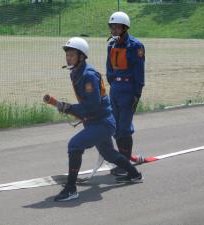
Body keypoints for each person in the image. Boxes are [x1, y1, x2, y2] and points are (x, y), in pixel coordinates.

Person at [53, 37, 143, 202]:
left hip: (102, 122)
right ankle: (134, 174)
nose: (68, 58)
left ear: (82, 56)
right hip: (95, 121)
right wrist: (70, 108)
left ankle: (71, 189)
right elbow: (88, 105)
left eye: (72, 55)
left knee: (74, 145)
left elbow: (93, 106)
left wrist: (69, 107)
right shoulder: (76, 71)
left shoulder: (88, 76)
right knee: (108, 153)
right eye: (68, 55)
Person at [106, 12, 145, 176]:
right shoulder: (111, 45)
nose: (114, 29)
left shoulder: (136, 46)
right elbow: (109, 68)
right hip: (115, 89)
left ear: (125, 27)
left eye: (117, 26)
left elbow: (139, 72)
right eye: (112, 26)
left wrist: (137, 93)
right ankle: (123, 161)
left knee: (124, 129)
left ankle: (125, 165)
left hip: (129, 91)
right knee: (115, 127)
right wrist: (113, 85)